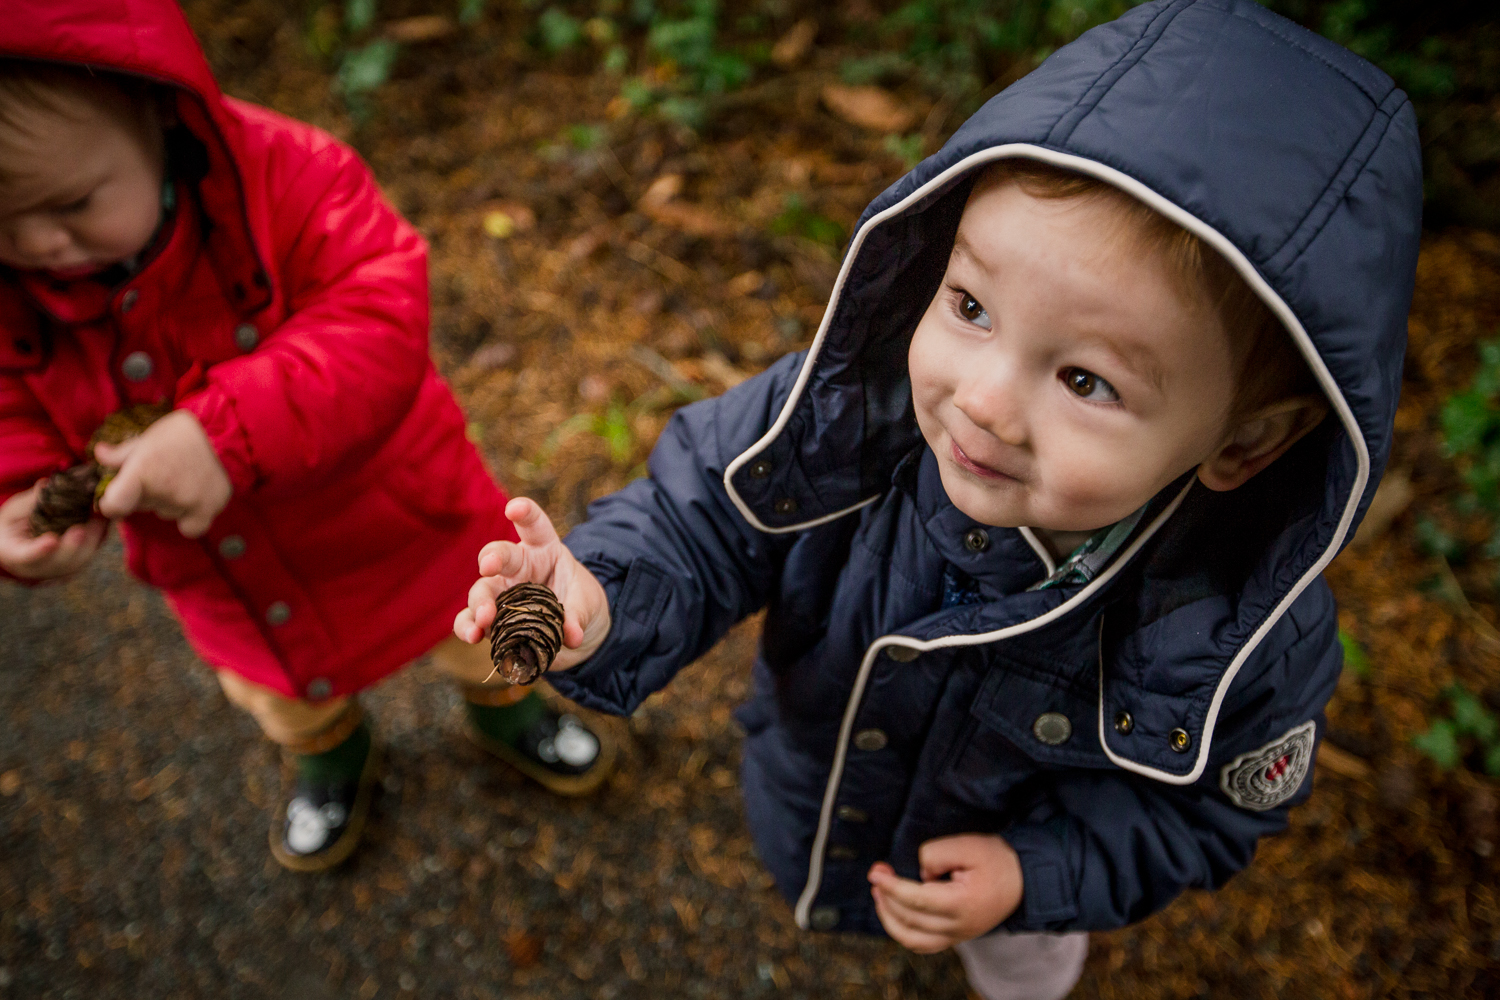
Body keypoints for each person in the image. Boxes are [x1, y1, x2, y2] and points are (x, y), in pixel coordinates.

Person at [457, 0, 1422, 996]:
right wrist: (602, 598)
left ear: (1248, 438)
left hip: (1010, 885)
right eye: (969, 307)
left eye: (1087, 380)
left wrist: (1032, 874)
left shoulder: (1243, 632)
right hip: (814, 777)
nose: (985, 401)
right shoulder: (840, 423)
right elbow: (700, 521)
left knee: (1020, 969)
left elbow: (1216, 811)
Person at [0, 0, 613, 874]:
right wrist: (19, 495)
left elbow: (379, 317)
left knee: (485, 630)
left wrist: (224, 432)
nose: (35, 244)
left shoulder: (288, 177)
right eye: (1, 223)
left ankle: (513, 710)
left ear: (153, 109)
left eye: (71, 204)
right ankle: (330, 758)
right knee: (283, 690)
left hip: (400, 516)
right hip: (234, 572)